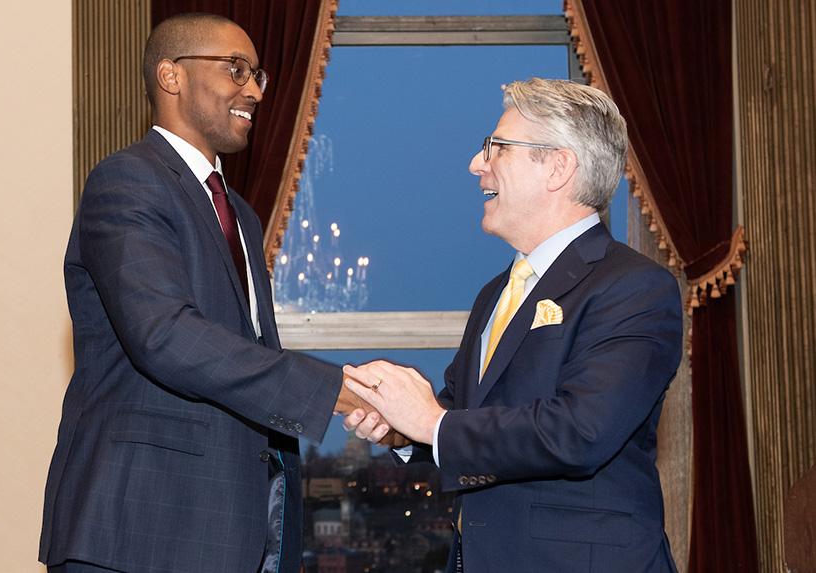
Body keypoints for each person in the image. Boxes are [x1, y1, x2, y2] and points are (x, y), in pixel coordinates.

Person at [39, 13, 383, 573]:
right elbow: (165, 336)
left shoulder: (242, 215)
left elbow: (249, 358)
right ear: (171, 76)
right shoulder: (126, 181)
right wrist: (334, 391)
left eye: (259, 76)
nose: (253, 90)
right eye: (236, 69)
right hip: (142, 528)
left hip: (240, 528)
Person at [343, 78, 683, 572]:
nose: (476, 164)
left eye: (496, 148)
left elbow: (581, 431)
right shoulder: (496, 293)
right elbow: (463, 416)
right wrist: (403, 431)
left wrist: (431, 423)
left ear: (558, 167)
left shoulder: (635, 287)